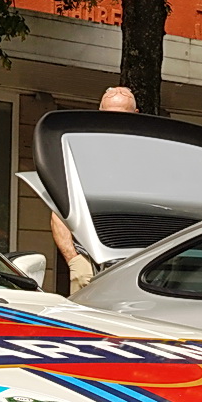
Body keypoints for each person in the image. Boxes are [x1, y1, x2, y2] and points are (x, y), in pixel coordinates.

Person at [50, 86, 137, 292]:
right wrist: (75, 261)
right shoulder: (81, 154)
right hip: (90, 267)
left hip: (137, 268)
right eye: (108, 116)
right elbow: (58, 212)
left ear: (135, 116)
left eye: (121, 117)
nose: (113, 122)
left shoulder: (150, 155)